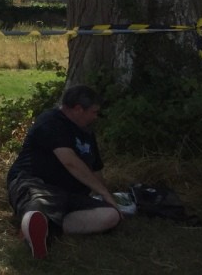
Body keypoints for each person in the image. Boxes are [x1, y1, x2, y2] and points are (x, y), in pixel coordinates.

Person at [7, 84, 122, 259]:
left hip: (69, 194)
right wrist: (104, 192)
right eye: (94, 112)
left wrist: (107, 199)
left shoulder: (87, 134)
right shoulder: (51, 122)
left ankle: (43, 228)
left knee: (110, 216)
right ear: (78, 109)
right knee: (38, 203)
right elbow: (70, 162)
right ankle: (34, 224)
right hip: (36, 183)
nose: (96, 117)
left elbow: (96, 170)